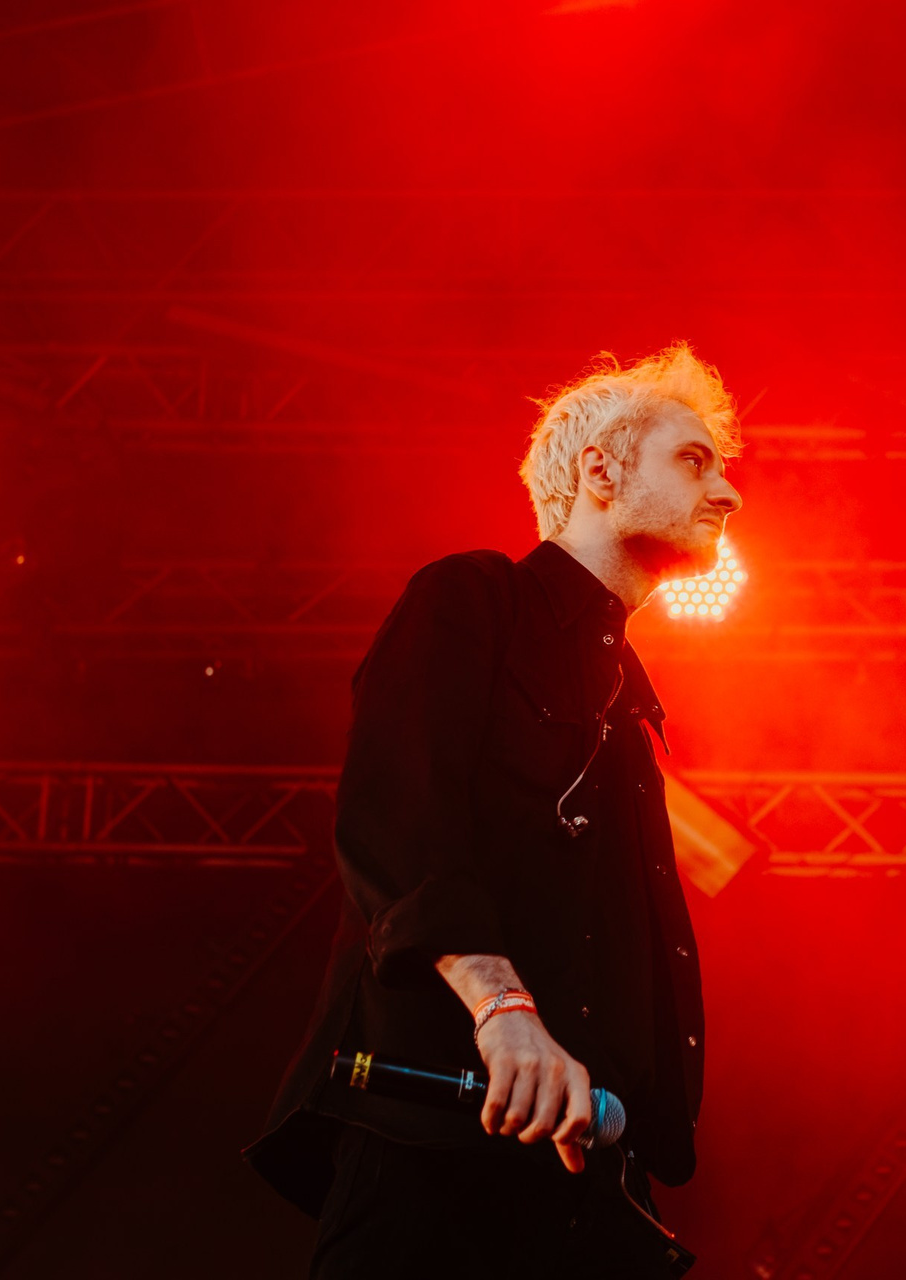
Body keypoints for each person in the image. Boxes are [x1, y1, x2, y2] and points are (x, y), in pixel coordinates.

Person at [244, 344, 744, 1278]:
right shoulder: (472, 598)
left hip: (588, 1183)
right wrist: (501, 1006)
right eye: (693, 460)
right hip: (439, 1154)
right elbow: (398, 817)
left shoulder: (632, 708)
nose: (729, 493)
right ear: (600, 471)